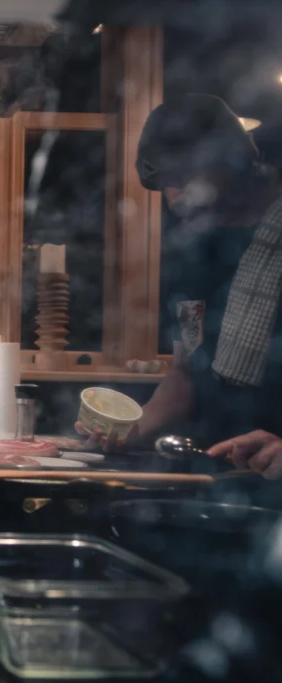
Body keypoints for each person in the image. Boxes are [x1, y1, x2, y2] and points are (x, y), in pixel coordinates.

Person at [77, 94, 282, 480]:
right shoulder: (196, 253)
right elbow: (185, 376)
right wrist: (129, 430)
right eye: (166, 185)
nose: (176, 199)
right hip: (215, 473)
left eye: (185, 178)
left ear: (234, 159)